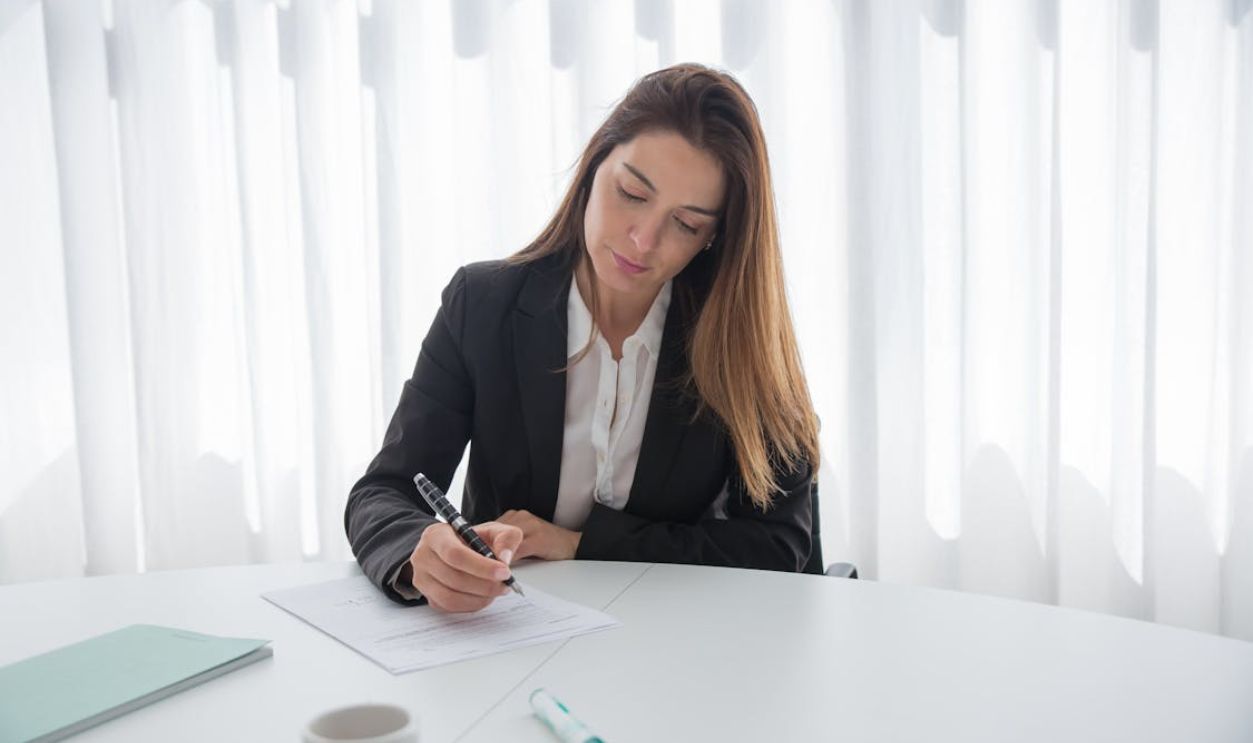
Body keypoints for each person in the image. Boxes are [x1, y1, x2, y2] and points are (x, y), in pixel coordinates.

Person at [345, 63, 821, 612]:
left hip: (677, 637)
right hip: (510, 632)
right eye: (632, 193)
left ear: (715, 239)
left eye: (686, 225)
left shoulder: (739, 338)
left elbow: (778, 545)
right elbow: (383, 492)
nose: (643, 241)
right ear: (595, 167)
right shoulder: (482, 306)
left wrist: (581, 545)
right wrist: (417, 550)